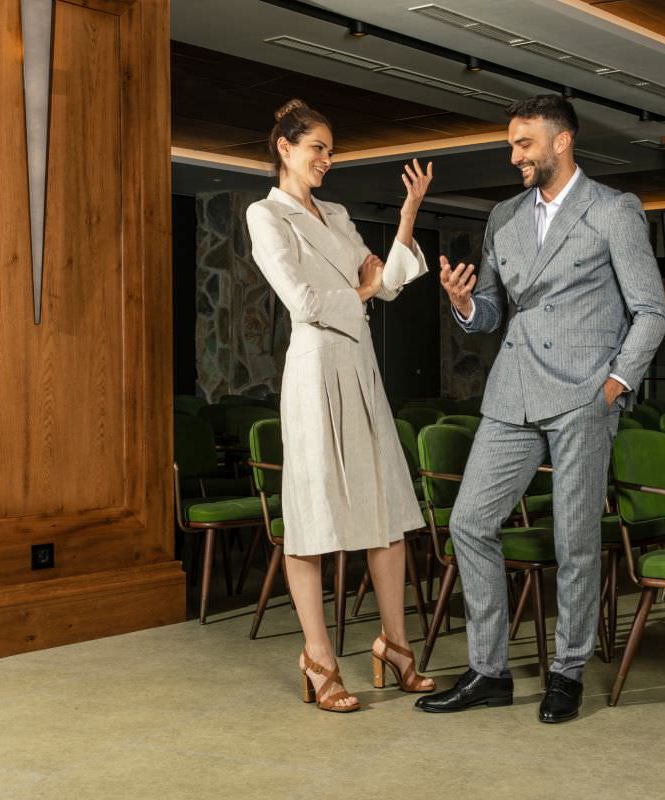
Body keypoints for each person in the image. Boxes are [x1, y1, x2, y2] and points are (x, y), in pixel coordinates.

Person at [415, 94, 665, 723]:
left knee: (573, 539)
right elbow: (491, 313)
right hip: (512, 390)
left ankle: (567, 671)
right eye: (511, 144)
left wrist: (613, 386)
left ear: (562, 141)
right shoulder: (503, 216)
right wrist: (464, 304)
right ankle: (489, 671)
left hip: (584, 395)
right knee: (469, 522)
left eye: (523, 144)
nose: (514, 156)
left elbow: (651, 311)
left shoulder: (613, 210)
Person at [246, 99, 435, 713]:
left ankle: (396, 645)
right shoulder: (265, 215)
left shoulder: (337, 214)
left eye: (330, 150)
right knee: (312, 515)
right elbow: (303, 301)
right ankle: (319, 658)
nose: (327, 159)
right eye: (317, 148)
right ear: (285, 148)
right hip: (314, 370)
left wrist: (407, 216)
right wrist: (361, 289)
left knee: (385, 506)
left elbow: (389, 283)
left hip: (359, 365)